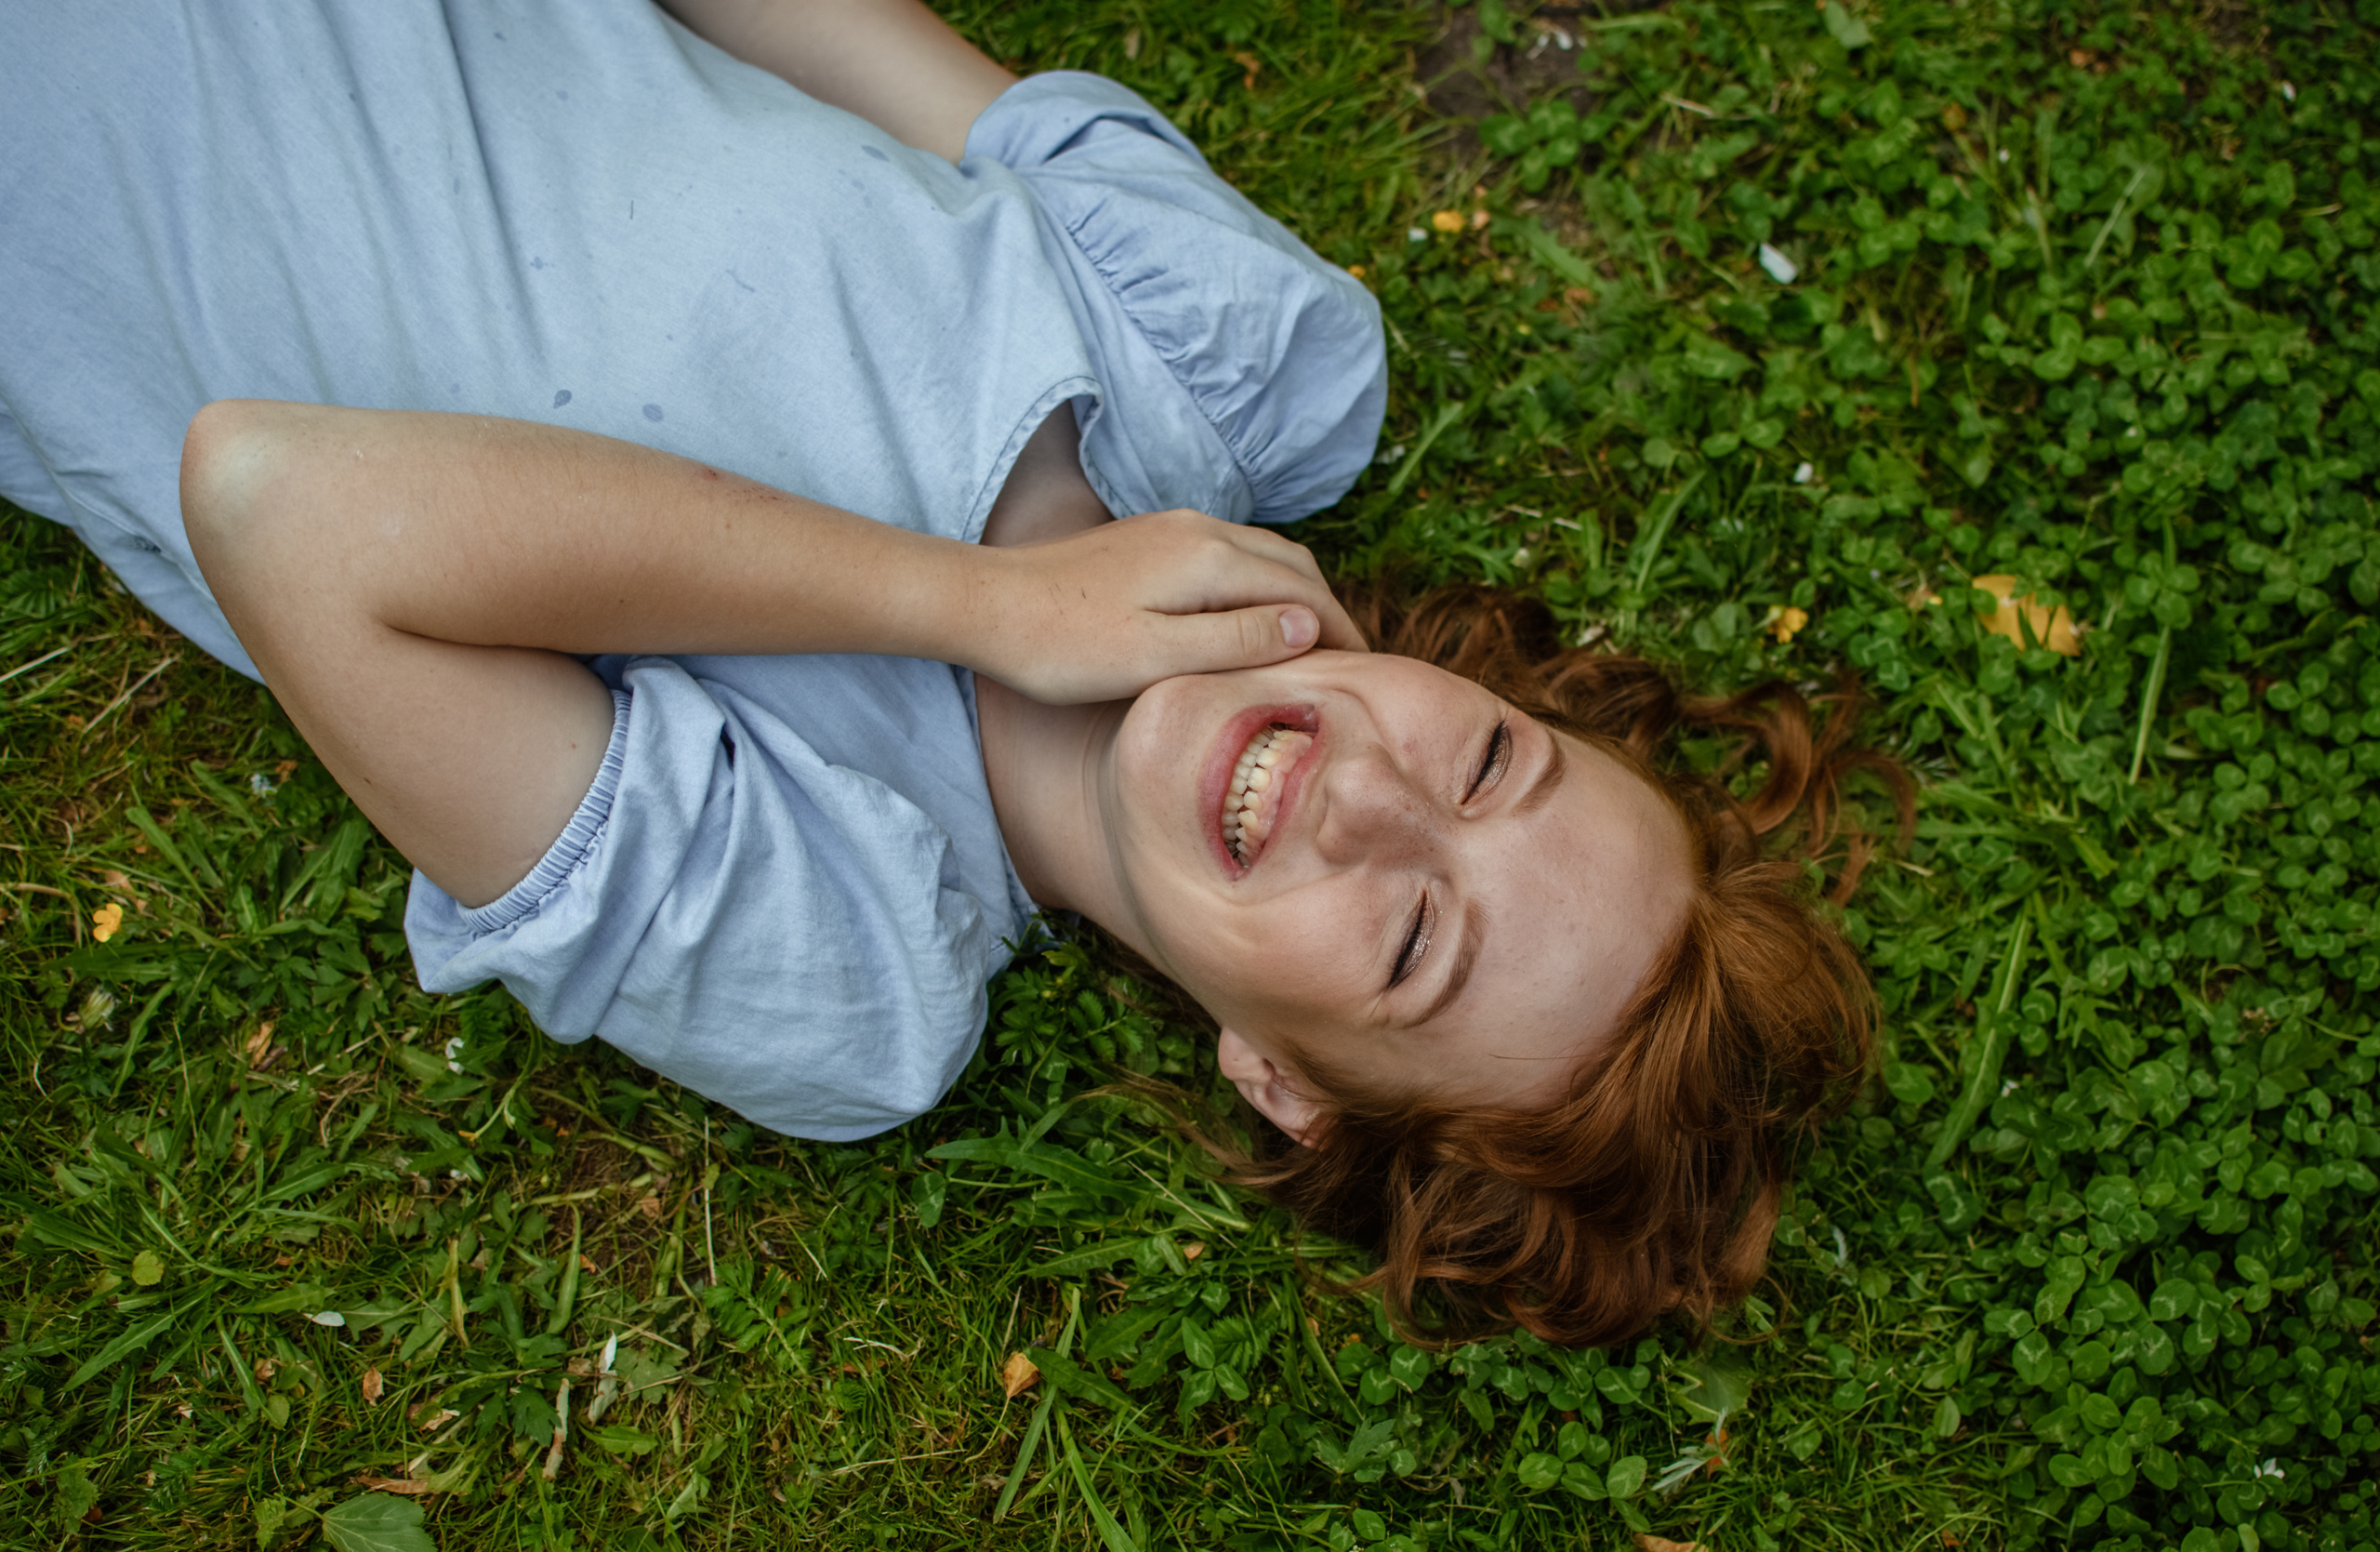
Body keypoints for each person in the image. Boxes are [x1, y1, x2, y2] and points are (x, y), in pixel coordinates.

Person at [2, 0, 1897, 1346]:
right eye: (1487, 764)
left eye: (1411, 943)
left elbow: (281, 505)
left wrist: (970, 607)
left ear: (1286, 1086)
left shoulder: (845, 958)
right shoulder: (1236, 368)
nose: (1367, 792)